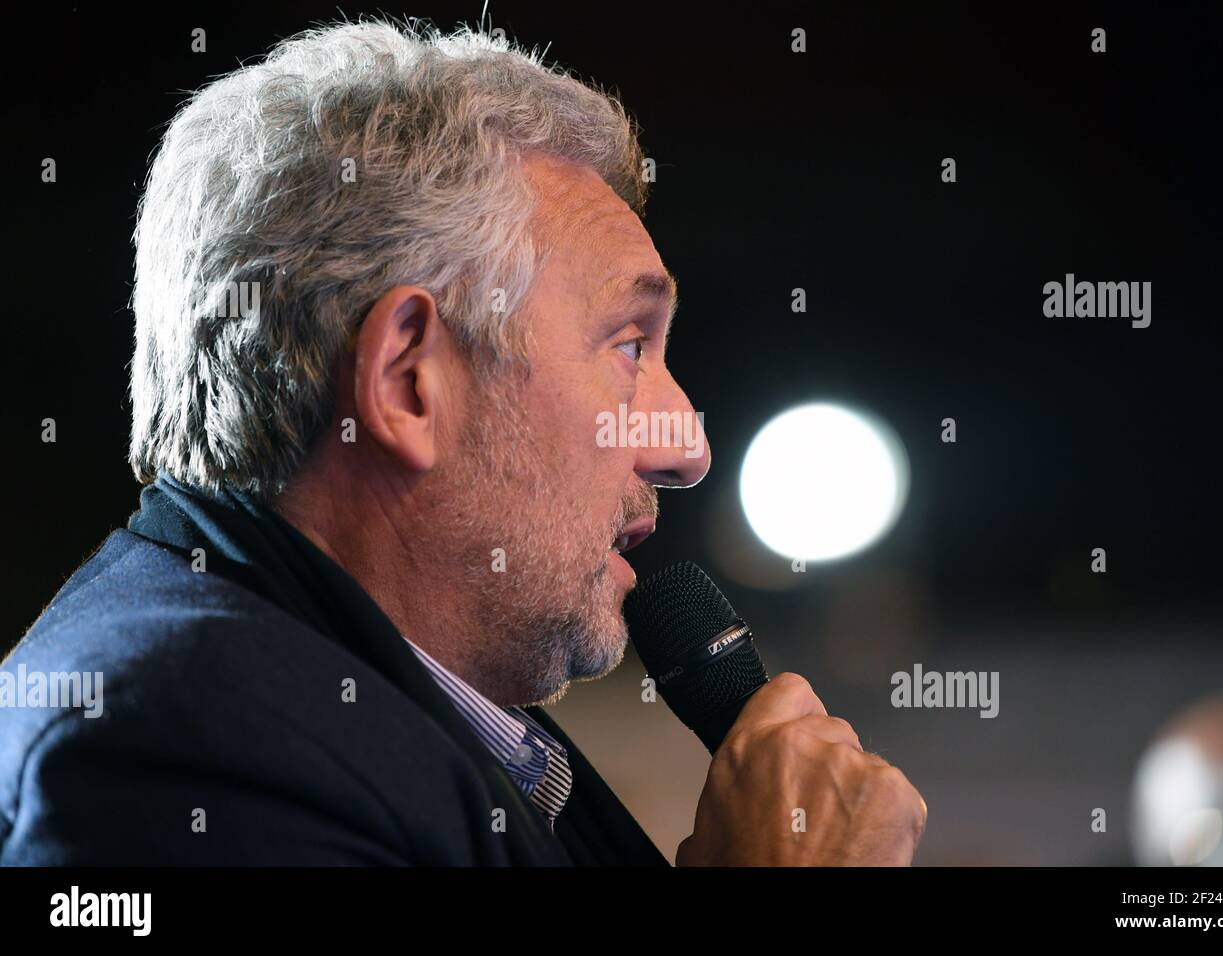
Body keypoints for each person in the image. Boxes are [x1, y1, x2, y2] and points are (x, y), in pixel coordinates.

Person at [0, 20, 926, 865]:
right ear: (408, 381)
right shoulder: (183, 747)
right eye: (629, 345)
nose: (686, 447)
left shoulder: (359, 709)